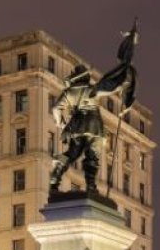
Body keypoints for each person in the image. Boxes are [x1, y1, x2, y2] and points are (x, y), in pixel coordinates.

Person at [49, 22, 138, 193]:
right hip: (94, 127)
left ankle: (54, 181)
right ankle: (90, 186)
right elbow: (113, 85)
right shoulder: (93, 89)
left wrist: (61, 123)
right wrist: (126, 74)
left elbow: (55, 109)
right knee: (92, 157)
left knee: (71, 154)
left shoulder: (70, 93)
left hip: (76, 127)